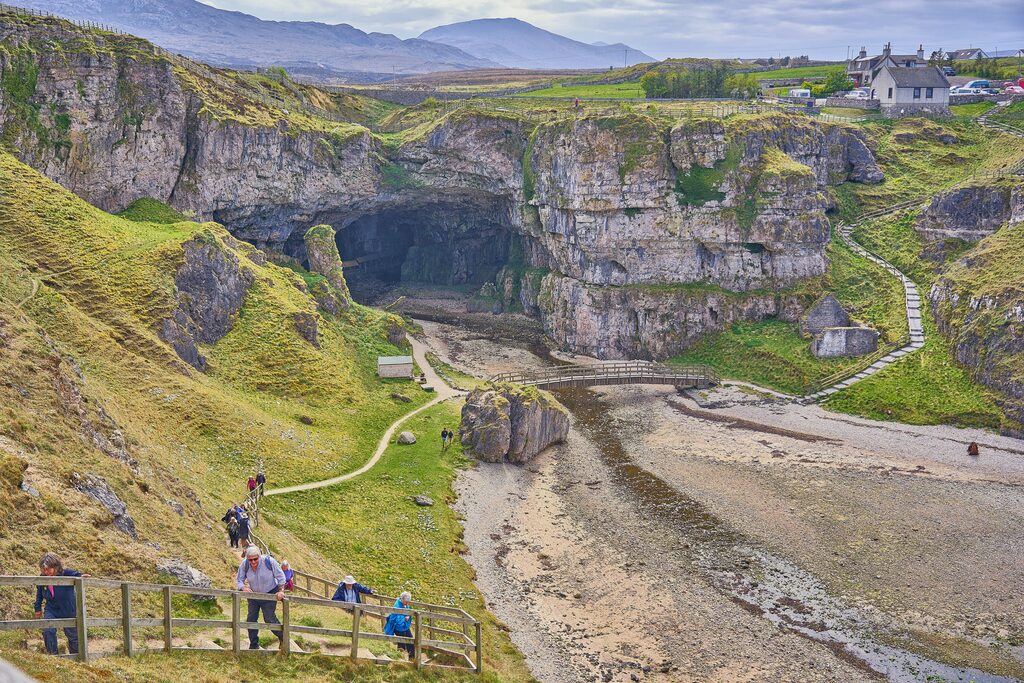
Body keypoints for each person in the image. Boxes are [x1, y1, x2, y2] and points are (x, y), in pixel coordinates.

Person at [34, 553, 87, 656]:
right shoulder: (42, 577)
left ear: (55, 567)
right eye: (43, 569)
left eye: (48, 569)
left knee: (73, 636)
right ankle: (53, 656)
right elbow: (39, 594)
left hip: (68, 609)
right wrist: (37, 608)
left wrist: (81, 576)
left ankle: (76, 658)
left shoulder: (65, 573)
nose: (46, 572)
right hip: (51, 609)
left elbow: (76, 575)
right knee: (48, 630)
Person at [236, 546, 286, 650]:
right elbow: (239, 579)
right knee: (251, 619)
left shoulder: (269, 561)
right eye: (250, 559)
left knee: (269, 619)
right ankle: (254, 645)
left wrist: (281, 591)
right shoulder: (245, 564)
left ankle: (283, 638)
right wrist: (242, 588)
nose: (253, 562)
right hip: (254, 595)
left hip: (269, 593)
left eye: (255, 559)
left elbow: (280, 576)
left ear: (259, 556)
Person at [383, 591, 414, 658]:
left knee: (408, 641)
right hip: (399, 627)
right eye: (406, 601)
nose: (407, 602)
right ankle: (401, 658)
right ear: (402, 599)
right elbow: (395, 619)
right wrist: (405, 618)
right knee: (404, 642)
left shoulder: (403, 604)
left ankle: (409, 658)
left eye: (408, 601)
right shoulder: (397, 606)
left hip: (403, 626)